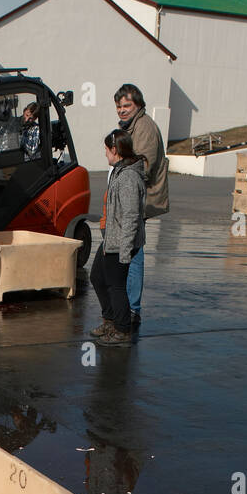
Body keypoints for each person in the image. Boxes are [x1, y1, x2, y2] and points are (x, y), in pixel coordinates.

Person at [113, 83, 169, 327]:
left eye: (127, 106)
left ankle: (132, 310)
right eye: (119, 106)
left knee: (133, 253)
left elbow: (143, 166)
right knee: (130, 250)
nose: (122, 110)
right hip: (132, 195)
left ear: (138, 105)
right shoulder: (132, 126)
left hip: (138, 197)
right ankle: (128, 307)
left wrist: (124, 182)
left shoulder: (144, 127)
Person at [89, 129, 146, 348]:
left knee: (116, 285)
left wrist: (125, 251)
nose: (105, 154)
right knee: (98, 277)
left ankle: (122, 330)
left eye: (106, 149)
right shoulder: (118, 171)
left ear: (115, 150)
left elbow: (131, 216)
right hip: (111, 238)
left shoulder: (129, 177)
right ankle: (110, 320)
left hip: (121, 241)